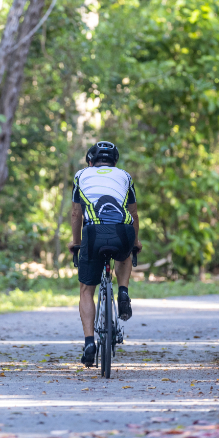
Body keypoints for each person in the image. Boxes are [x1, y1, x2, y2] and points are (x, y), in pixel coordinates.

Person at [68, 141, 141, 367]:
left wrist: (76, 243)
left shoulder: (81, 175)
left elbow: (75, 213)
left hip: (93, 232)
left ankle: (90, 342)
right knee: (125, 252)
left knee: (86, 291)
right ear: (115, 162)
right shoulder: (125, 176)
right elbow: (133, 213)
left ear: (90, 161)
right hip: (123, 231)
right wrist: (135, 242)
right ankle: (123, 291)